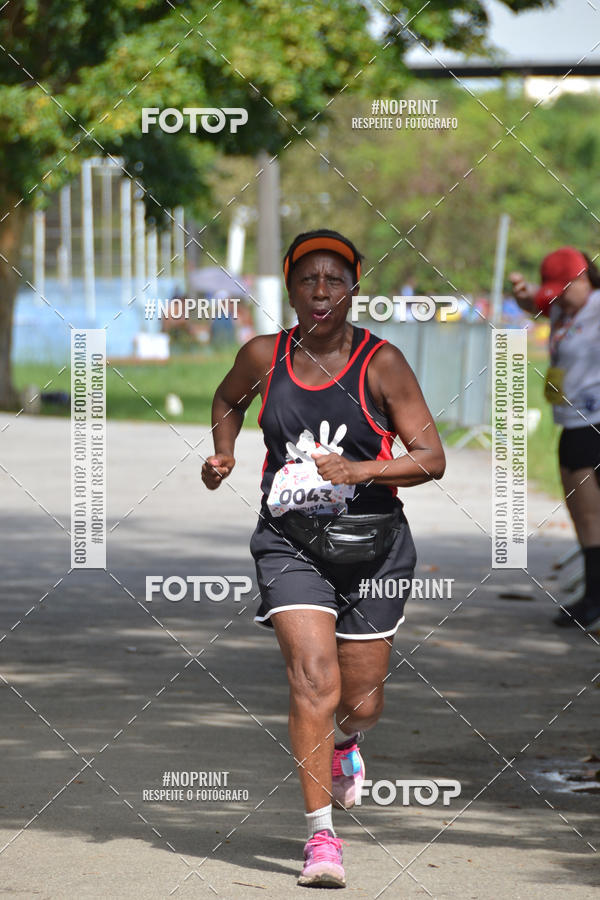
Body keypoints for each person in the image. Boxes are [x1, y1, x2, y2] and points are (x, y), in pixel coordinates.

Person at [202, 229, 446, 888]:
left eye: (334, 278)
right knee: (314, 680)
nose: (320, 291)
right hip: (290, 540)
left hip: (375, 544)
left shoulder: (382, 362)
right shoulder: (263, 354)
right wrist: (223, 452)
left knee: (360, 700)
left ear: (354, 287)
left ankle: (346, 745)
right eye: (307, 278)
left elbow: (432, 458)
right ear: (289, 286)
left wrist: (361, 466)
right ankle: (320, 839)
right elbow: (226, 401)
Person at [510, 247, 600, 631]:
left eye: (564, 289)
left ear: (583, 279)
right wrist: (522, 293)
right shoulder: (564, 309)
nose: (558, 298)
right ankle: (594, 598)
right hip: (572, 423)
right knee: (586, 518)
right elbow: (535, 302)